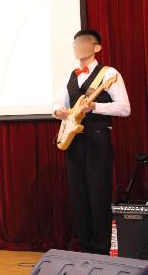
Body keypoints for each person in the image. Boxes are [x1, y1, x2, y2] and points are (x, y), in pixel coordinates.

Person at [52, 29, 131, 255]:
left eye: (84, 42)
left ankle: (101, 249)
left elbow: (125, 108)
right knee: (78, 194)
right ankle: (85, 247)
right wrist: (59, 112)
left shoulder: (109, 74)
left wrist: (96, 106)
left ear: (97, 47)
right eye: (76, 42)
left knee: (98, 193)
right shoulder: (71, 76)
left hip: (97, 139)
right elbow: (57, 104)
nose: (79, 46)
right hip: (74, 139)